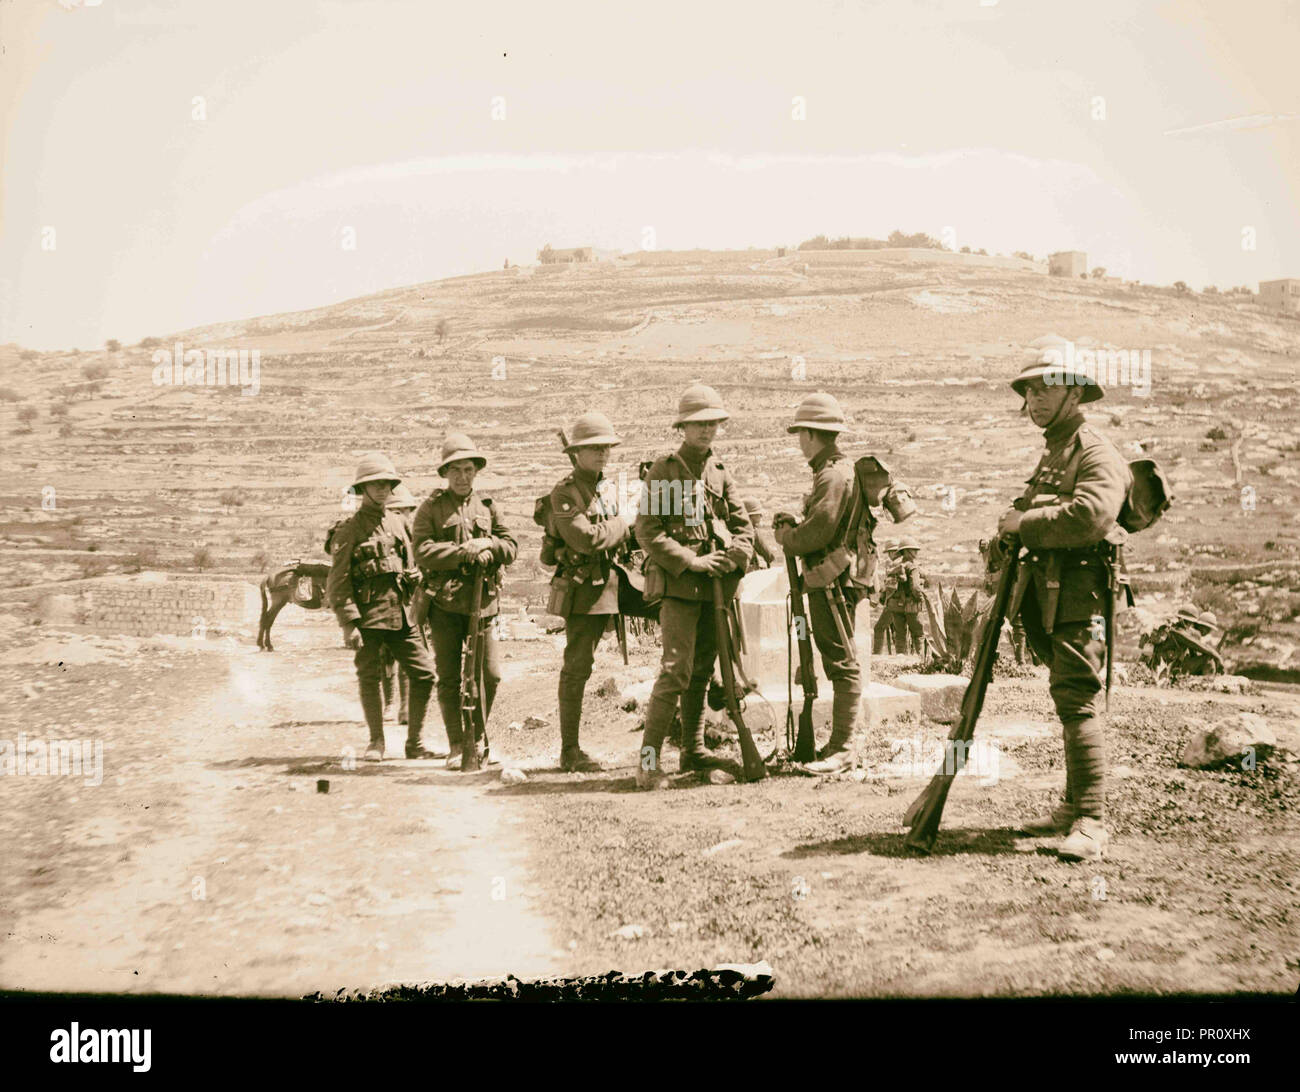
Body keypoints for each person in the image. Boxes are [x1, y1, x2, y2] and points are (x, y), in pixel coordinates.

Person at [1000, 334, 1132, 862]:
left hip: (1083, 594)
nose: (1035, 399)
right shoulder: (1057, 450)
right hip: (1054, 591)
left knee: (1078, 696)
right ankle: (1072, 806)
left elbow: (1091, 515)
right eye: (1029, 390)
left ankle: (1092, 821)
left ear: (1076, 393)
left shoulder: (1094, 450)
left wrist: (1024, 522)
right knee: (1067, 696)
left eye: (1047, 388)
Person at [633, 383, 754, 788]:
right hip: (681, 589)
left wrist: (731, 558)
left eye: (713, 424)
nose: (707, 431)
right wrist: (693, 561)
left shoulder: (719, 473)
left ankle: (692, 748)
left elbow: (744, 528)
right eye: (698, 424)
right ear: (683, 427)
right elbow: (647, 530)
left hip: (715, 590)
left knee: (702, 670)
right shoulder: (665, 472)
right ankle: (648, 762)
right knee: (674, 672)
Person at [325, 453, 440, 762]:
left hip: (403, 615)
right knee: (369, 676)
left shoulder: (400, 523)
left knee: (425, 673)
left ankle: (414, 743)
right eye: (373, 484)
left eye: (385, 484)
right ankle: (376, 741)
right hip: (368, 617)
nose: (380, 489)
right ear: (362, 489)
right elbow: (338, 581)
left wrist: (416, 575)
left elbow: (413, 562)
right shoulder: (349, 530)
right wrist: (349, 624)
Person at [772, 392, 864, 773]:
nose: (799, 441)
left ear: (810, 435)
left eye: (801, 434)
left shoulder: (831, 474)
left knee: (842, 661)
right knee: (837, 657)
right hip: (831, 581)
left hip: (832, 583)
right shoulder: (836, 471)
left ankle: (844, 748)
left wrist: (787, 537)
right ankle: (838, 745)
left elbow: (819, 532)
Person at [413, 434, 517, 770]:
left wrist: (487, 544)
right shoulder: (430, 508)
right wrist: (462, 552)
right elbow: (422, 551)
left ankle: (478, 738)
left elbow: (511, 546)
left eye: (468, 469)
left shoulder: (488, 507)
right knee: (449, 678)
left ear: (476, 471)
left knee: (490, 674)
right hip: (444, 605)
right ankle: (457, 744)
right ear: (446, 472)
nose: (462, 476)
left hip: (483, 604)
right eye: (455, 470)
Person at [546, 412, 633, 772]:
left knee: (679, 614)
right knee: (578, 664)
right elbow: (586, 539)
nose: (602, 453)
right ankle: (570, 750)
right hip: (585, 586)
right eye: (594, 448)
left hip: (621, 579)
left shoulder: (608, 488)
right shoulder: (565, 493)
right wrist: (625, 523)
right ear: (577, 452)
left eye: (606, 447)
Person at [381, 483, 420, 724]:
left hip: (409, 605)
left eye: (404, 511)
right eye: (395, 511)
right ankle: (389, 704)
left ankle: (405, 708)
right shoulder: (380, 537)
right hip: (384, 606)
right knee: (385, 658)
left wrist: (419, 575)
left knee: (408, 658)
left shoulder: (415, 538)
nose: (401, 516)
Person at [743, 498, 778, 569]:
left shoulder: (735, 529)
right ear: (751, 516)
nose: (761, 516)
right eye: (758, 514)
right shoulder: (752, 531)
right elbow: (768, 555)